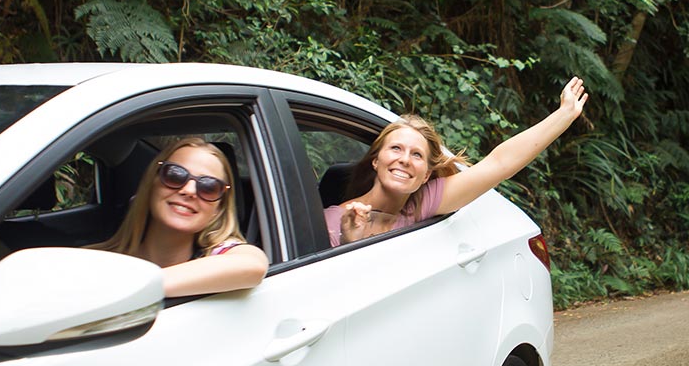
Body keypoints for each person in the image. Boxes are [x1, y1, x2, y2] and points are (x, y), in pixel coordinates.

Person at [326, 76, 589, 247]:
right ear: (376, 160)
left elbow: (498, 164)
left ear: (426, 175)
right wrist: (350, 241)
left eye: (417, 155)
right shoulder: (332, 221)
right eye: (396, 149)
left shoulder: (419, 205)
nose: (405, 160)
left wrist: (564, 115)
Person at [95, 137, 268, 297]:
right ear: (151, 184)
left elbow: (254, 265)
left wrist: (131, 288)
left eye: (209, 187)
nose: (189, 191)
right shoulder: (99, 258)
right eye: (175, 175)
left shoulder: (220, 254)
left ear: (219, 207)